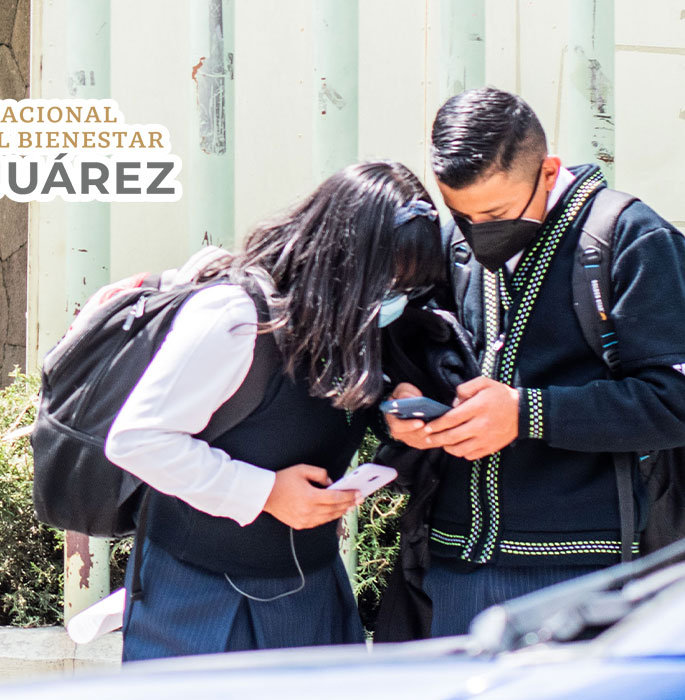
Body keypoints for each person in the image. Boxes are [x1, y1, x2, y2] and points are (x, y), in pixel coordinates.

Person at [384, 88, 685, 637]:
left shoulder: (628, 236)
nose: (477, 229)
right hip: (448, 567)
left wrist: (525, 413)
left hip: (582, 577)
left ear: (548, 170)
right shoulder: (447, 243)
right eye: (461, 214)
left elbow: (677, 402)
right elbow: (407, 359)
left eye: (496, 213)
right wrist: (399, 404)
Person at [105, 161, 448, 661]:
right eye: (387, 282)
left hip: (311, 588)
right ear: (342, 258)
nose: (393, 300)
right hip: (199, 597)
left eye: (407, 288)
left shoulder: (349, 322)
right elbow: (137, 439)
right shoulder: (236, 316)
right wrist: (264, 492)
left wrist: (394, 404)